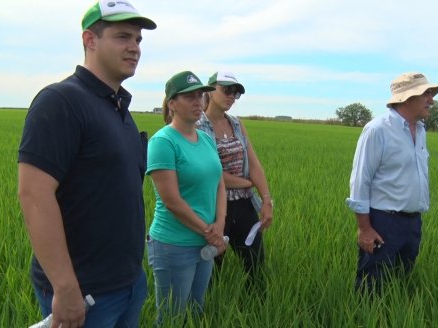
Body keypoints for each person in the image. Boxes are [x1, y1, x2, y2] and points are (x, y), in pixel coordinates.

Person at [17, 1, 156, 327]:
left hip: (129, 283)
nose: (134, 47)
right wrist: (64, 287)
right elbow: (34, 195)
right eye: (123, 37)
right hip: (85, 293)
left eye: (138, 40)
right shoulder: (61, 101)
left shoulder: (119, 109)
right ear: (90, 40)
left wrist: (135, 276)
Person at [346, 72, 438, 293]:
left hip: (413, 223)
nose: (432, 100)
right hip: (383, 223)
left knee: (399, 285)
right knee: (372, 288)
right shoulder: (377, 130)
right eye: (426, 94)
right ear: (407, 98)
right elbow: (360, 181)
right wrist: (365, 228)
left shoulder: (420, 130)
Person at [146, 71, 227, 324]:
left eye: (200, 95)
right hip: (174, 245)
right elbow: (172, 201)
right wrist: (209, 231)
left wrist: (220, 223)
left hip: (205, 242)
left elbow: (219, 184)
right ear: (172, 104)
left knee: (195, 309)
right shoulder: (163, 142)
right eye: (189, 96)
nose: (198, 101)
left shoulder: (205, 138)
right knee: (172, 317)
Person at [196, 71, 273, 285]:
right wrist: (246, 182)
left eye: (236, 93)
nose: (231, 96)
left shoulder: (236, 124)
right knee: (211, 270)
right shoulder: (197, 126)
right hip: (212, 206)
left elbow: (254, 163)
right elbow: (209, 173)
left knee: (256, 264)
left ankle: (256, 310)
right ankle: (208, 315)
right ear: (210, 92)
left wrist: (266, 199)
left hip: (244, 203)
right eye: (226, 90)